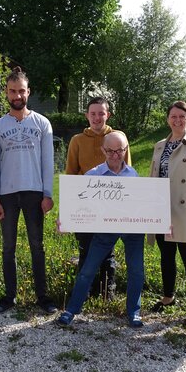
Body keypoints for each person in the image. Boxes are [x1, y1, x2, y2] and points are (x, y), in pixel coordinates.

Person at [57, 131, 145, 328]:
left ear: (125, 150)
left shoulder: (134, 175)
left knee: (137, 271)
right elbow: (76, 201)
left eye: (120, 150)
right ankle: (71, 310)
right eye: (110, 151)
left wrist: (159, 220)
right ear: (103, 150)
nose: (115, 155)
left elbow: (144, 205)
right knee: (87, 270)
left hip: (133, 230)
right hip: (105, 230)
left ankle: (134, 312)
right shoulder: (93, 175)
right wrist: (64, 218)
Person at [0, 67, 57, 314]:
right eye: (12, 91)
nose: (17, 95)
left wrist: (47, 194)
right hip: (6, 194)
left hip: (34, 192)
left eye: (21, 91)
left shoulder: (42, 123)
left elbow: (48, 161)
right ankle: (9, 296)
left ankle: (43, 296)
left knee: (37, 245)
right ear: (7, 93)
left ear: (29, 92)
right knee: (8, 247)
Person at [148, 101, 186, 327]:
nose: (177, 120)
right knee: (166, 255)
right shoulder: (159, 145)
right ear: (167, 119)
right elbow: (153, 177)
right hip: (162, 207)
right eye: (173, 116)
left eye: (182, 116)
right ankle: (168, 296)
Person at [65, 97, 133, 300]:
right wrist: (71, 206)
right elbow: (71, 174)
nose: (97, 118)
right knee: (86, 249)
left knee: (107, 249)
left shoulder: (118, 138)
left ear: (107, 115)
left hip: (111, 205)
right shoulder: (77, 140)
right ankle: (83, 292)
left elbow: (128, 172)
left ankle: (106, 291)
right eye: (92, 113)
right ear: (87, 115)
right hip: (85, 205)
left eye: (101, 113)